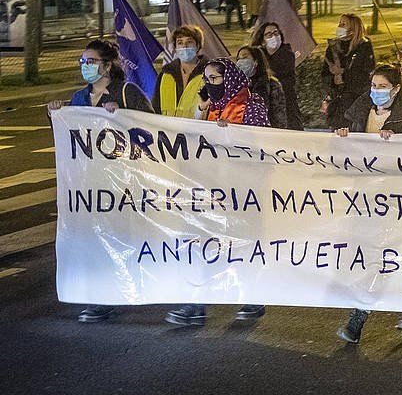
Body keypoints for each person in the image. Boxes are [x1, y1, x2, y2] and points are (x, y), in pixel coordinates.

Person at [48, 39, 152, 324]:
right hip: (89, 183)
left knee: (121, 237)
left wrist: (123, 116)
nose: (85, 67)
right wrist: (56, 115)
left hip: (123, 182)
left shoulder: (127, 92)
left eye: (90, 61)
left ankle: (126, 289)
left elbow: (152, 130)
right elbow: (71, 139)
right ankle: (99, 298)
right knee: (93, 239)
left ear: (107, 65)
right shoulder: (79, 99)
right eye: (82, 62)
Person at [166, 57, 268, 327]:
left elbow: (264, 144)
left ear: (230, 79)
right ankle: (195, 304)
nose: (210, 84)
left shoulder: (252, 105)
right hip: (211, 188)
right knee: (204, 244)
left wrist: (235, 134)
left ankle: (253, 295)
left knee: (242, 245)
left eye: (215, 79)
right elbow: (194, 140)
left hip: (244, 190)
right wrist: (201, 111)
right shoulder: (208, 106)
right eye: (206, 79)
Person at [333, 64, 402, 343]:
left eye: (383, 86)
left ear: (396, 89)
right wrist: (344, 139)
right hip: (364, 198)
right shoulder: (359, 113)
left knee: (389, 256)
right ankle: (373, 313)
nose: (376, 91)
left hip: (396, 201)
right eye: (373, 85)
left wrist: (400, 144)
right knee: (368, 255)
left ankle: (359, 319)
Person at [323, 14, 375, 129]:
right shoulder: (333, 48)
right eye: (339, 23)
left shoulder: (364, 46)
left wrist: (344, 73)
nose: (339, 26)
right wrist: (333, 81)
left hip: (356, 102)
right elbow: (325, 74)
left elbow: (366, 73)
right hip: (337, 103)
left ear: (353, 28)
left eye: (343, 24)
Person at [250, 22, 302, 129]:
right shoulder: (259, 56)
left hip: (286, 108)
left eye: (275, 32)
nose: (273, 36)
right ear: (263, 41)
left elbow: (271, 76)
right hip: (267, 109)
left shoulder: (286, 55)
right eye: (268, 34)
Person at [154, 25, 207, 118]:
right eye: (180, 43)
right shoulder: (165, 73)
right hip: (168, 130)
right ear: (175, 47)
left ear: (198, 46)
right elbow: (156, 107)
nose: (184, 46)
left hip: (197, 130)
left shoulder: (210, 73)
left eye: (189, 42)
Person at [236, 45, 286, 129]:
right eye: (238, 59)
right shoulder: (236, 85)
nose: (240, 62)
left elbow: (279, 116)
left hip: (266, 131)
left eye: (244, 58)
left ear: (256, 62)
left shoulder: (272, 84)